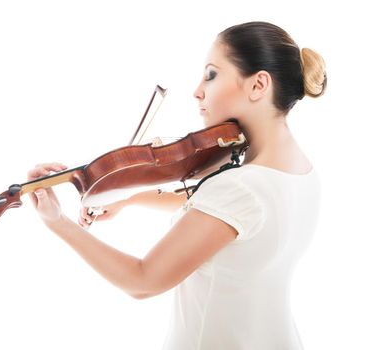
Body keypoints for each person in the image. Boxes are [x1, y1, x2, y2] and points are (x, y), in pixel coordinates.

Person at [27, 21, 326, 350]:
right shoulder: (300, 171)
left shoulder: (240, 188)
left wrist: (58, 222)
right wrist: (131, 199)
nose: (197, 91)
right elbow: (219, 214)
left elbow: (143, 280)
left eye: (211, 75)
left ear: (258, 85)